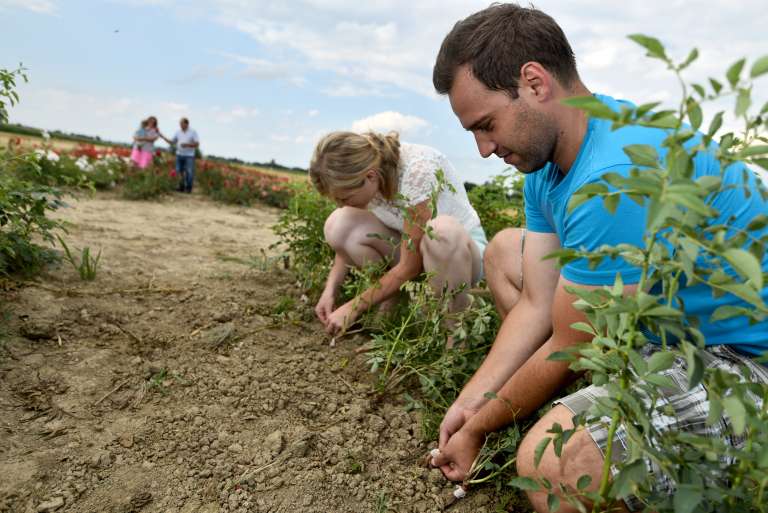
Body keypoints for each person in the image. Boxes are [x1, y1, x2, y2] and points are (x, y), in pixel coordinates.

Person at [428, 4, 768, 512]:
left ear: (535, 83)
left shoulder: (615, 171)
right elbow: (538, 305)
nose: (482, 148)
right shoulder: (546, 165)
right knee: (504, 252)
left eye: (486, 124)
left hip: (743, 363)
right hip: (665, 338)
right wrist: (469, 405)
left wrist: (479, 427)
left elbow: (568, 343)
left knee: (557, 465)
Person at [309, 131, 488, 340]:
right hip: (414, 253)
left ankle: (454, 336)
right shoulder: (368, 165)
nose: (341, 204)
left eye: (345, 197)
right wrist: (330, 290)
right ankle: (390, 309)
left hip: (460, 258)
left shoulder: (417, 172)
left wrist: (354, 307)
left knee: (440, 232)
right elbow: (344, 247)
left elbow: (409, 267)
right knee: (339, 223)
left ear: (370, 176)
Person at [162, 117, 200, 193]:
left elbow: (197, 144)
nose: (180, 125)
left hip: (189, 156)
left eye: (182, 124)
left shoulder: (193, 132)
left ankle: (189, 188)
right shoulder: (178, 132)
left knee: (189, 172)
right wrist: (162, 136)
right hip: (179, 155)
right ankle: (181, 187)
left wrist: (187, 145)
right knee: (179, 171)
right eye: (180, 124)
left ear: (187, 124)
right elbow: (172, 142)